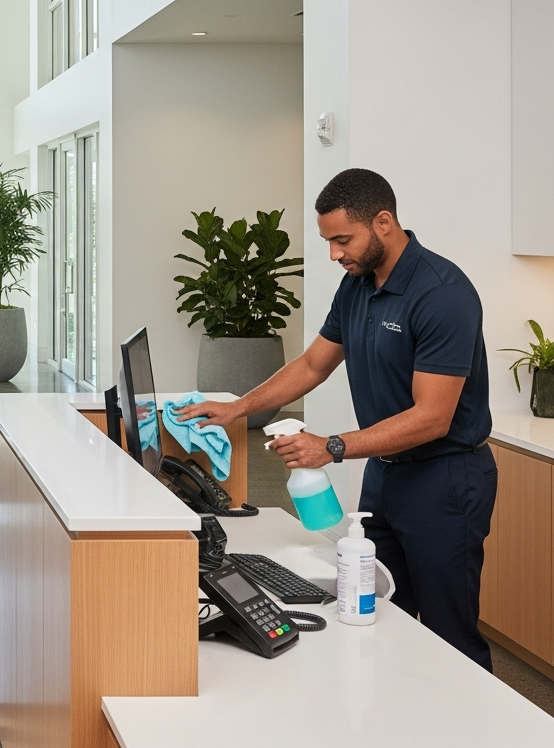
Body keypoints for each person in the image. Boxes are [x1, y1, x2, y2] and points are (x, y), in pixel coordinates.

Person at [180, 169, 497, 670]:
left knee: (448, 634)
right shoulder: (357, 286)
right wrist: (238, 407)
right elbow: (312, 365)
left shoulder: (442, 293)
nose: (334, 254)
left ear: (384, 222)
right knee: (375, 613)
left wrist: (331, 446)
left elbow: (433, 417)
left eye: (343, 240)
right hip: (385, 475)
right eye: (329, 241)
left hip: (446, 479)